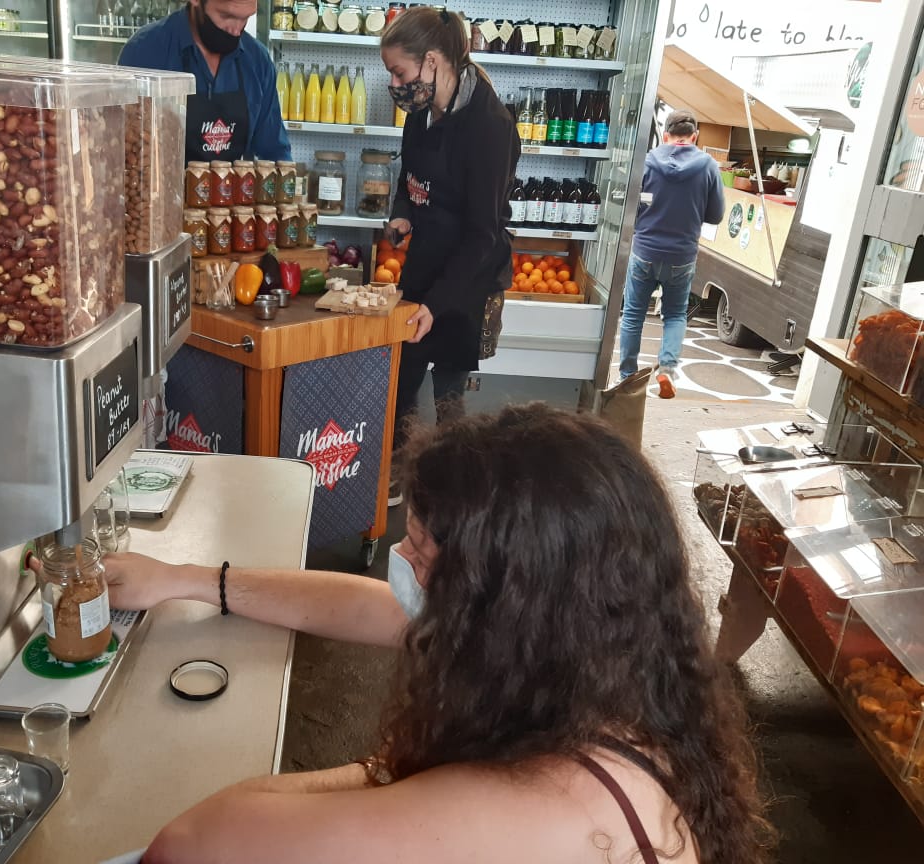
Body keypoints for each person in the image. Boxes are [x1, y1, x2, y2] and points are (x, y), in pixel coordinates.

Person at [98, 403, 773, 864]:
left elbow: (191, 844)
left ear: (505, 604)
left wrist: (388, 775)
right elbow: (364, 606)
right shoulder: (603, 670)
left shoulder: (549, 807)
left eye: (420, 553)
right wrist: (183, 579)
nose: (401, 563)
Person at [380, 8, 519, 505]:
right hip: (424, 264)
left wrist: (436, 305)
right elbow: (409, 180)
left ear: (433, 61)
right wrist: (403, 214)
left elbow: (482, 234)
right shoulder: (419, 114)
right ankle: (398, 473)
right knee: (402, 379)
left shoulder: (490, 127)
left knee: (449, 395)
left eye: (399, 73)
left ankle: (450, 495)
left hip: (468, 277)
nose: (394, 84)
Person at [618, 108, 724, 399]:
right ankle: (666, 369)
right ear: (695, 136)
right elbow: (715, 215)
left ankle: (627, 376)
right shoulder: (708, 166)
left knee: (633, 315)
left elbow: (631, 204)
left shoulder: (648, 160)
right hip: (681, 255)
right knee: (675, 315)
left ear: (666, 136)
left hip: (645, 251)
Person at [118, 0, 291, 163]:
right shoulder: (144, 51)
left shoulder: (257, 61)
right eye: (226, 16)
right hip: (165, 184)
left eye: (245, 18)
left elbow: (274, 151)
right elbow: (127, 150)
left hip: (234, 185)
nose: (236, 30)